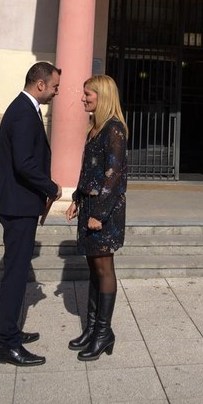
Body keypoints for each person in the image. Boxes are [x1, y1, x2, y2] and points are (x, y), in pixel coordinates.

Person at [0, 61, 62, 367]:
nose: (56, 92)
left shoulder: (26, 109)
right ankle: (7, 344)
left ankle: (6, 331)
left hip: (19, 204)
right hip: (18, 206)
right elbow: (24, 164)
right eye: (55, 86)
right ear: (40, 84)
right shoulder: (22, 111)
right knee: (16, 274)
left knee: (16, 271)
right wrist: (52, 187)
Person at [66, 74, 128, 361]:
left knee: (104, 268)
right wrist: (76, 199)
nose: (83, 98)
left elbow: (113, 176)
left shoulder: (114, 129)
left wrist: (99, 214)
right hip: (89, 207)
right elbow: (88, 171)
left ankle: (103, 333)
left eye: (88, 94)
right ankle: (92, 329)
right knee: (93, 268)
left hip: (105, 212)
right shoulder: (95, 128)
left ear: (102, 97)